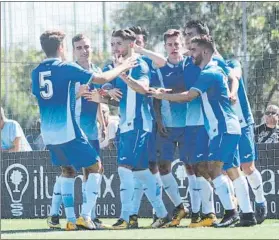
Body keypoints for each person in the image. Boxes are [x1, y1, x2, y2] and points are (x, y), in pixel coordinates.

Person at [32, 30, 137, 231]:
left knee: (68, 170)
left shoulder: (36, 72)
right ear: (63, 48)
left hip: (49, 133)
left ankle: (71, 219)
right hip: (70, 130)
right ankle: (85, 216)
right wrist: (124, 66)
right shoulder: (67, 68)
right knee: (96, 167)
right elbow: (102, 78)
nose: (83, 50)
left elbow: (43, 96)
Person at [150, 35, 257, 227]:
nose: (189, 54)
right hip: (224, 128)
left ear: (205, 52)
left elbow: (188, 96)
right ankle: (247, 215)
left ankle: (231, 213)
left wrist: (160, 95)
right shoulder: (210, 71)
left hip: (224, 128)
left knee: (213, 168)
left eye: (193, 50)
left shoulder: (209, 72)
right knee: (230, 170)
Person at [98, 29, 169, 229]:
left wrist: (124, 73)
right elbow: (104, 92)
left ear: (130, 44)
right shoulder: (114, 66)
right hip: (125, 124)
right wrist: (107, 90)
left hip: (139, 124)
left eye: (118, 44)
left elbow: (144, 88)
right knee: (141, 172)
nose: (114, 48)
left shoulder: (140, 64)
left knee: (123, 169)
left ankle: (126, 218)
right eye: (112, 44)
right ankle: (163, 215)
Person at [149, 29, 189, 227]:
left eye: (177, 43)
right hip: (166, 127)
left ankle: (201, 212)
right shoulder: (158, 69)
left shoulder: (189, 65)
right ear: (165, 47)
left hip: (189, 126)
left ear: (182, 44)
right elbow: (155, 98)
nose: (174, 47)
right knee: (163, 167)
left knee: (193, 167)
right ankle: (180, 206)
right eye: (170, 44)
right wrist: (159, 121)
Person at [128, 26, 166, 227]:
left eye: (139, 42)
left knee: (149, 167)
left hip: (147, 122)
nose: (134, 46)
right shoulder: (120, 64)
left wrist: (159, 120)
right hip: (129, 124)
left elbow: (154, 94)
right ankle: (135, 215)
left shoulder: (146, 64)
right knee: (138, 169)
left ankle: (155, 213)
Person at [227, 58, 268, 224]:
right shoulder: (199, 67)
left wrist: (233, 89)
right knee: (228, 170)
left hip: (242, 122)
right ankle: (242, 210)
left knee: (247, 166)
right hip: (223, 125)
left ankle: (260, 200)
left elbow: (236, 75)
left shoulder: (231, 63)